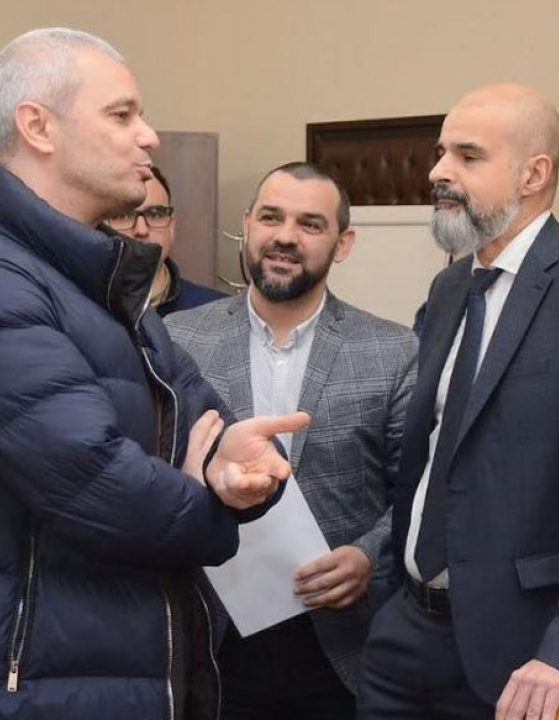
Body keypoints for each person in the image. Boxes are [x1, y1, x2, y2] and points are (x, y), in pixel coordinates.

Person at [0, 28, 306, 720]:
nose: (148, 137)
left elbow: (213, 426)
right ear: (38, 127)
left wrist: (236, 468)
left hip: (122, 679)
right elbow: (97, 482)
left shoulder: (101, 283)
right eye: (121, 115)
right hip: (22, 693)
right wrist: (208, 503)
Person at [358, 83, 559, 720]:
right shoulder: (449, 288)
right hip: (404, 634)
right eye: (441, 153)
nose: (438, 172)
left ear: (533, 174)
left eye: (468, 156)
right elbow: (432, 454)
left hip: (526, 652)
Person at [167, 161, 417, 719]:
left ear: (343, 243)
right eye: (271, 218)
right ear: (247, 224)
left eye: (310, 224)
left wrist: (369, 556)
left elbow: (417, 491)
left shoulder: (393, 352)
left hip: (341, 652)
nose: (285, 236)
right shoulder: (179, 340)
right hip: (209, 642)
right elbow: (152, 466)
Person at [106, 164, 227, 314]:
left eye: (155, 214)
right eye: (123, 215)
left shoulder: (216, 312)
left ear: (171, 225)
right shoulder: (81, 310)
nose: (141, 230)